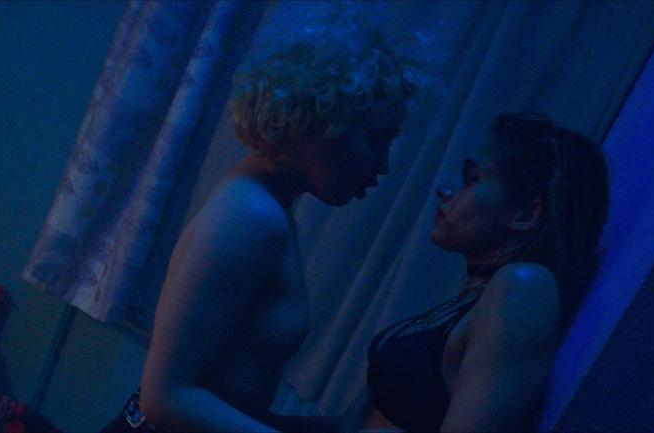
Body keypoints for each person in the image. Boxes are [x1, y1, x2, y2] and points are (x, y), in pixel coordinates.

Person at [100, 24, 418, 433]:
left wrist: (335, 429)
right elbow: (163, 399)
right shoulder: (251, 217)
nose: (384, 165)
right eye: (375, 140)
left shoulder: (264, 207)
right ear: (318, 124)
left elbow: (225, 401)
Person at [364, 112, 610, 432]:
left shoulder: (523, 287)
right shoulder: (476, 294)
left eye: (471, 179)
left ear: (525, 215)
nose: (446, 191)